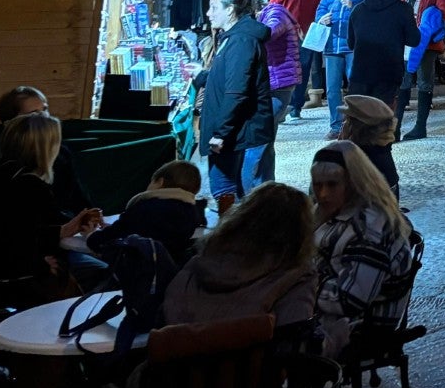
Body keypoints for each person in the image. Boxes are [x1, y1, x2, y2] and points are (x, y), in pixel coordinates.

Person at [0, 112, 103, 300]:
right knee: (100, 274)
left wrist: (62, 230)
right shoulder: (29, 186)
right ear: (46, 149)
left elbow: (8, 232)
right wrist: (41, 265)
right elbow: (15, 247)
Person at [163, 180, 316, 336]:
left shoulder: (199, 263)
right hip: (253, 359)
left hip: (179, 357)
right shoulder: (295, 278)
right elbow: (294, 343)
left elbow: (167, 315)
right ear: (300, 233)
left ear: (241, 216)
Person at [310, 141, 419, 359]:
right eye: (317, 185)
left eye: (332, 185)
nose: (322, 194)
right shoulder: (337, 212)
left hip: (361, 329)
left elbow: (350, 300)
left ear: (352, 184)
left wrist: (300, 288)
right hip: (333, 314)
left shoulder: (368, 228)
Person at [197, 0, 274, 200]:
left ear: (230, 10)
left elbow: (236, 91)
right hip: (235, 132)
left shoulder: (241, 41)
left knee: (231, 193)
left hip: (240, 133)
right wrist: (201, 77)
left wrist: (221, 133)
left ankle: (235, 232)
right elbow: (226, 79)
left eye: (214, 8)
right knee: (230, 192)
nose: (208, 13)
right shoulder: (233, 37)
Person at [0, 86, 91, 217]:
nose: (44, 117)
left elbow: (76, 193)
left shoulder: (60, 152)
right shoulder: (7, 164)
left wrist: (90, 214)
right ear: (12, 123)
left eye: (45, 110)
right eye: (34, 114)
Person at [93, 159, 204, 268]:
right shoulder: (193, 212)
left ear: (160, 182)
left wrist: (89, 234)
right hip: (169, 272)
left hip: (136, 273)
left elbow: (101, 242)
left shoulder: (145, 208)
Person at [395, 0, 445, 140]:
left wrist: (429, 22)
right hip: (406, 39)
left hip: (426, 42)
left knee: (424, 82)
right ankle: (396, 126)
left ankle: (420, 127)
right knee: (403, 81)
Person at [315, 0, 372, 135]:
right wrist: (321, 19)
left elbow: (372, 11)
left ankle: (357, 124)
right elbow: (321, 8)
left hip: (353, 43)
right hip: (332, 43)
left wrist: (353, 6)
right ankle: (336, 126)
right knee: (332, 88)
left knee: (356, 85)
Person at [346, 0, 420, 114]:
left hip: (361, 72)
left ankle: (359, 136)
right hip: (389, 72)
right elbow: (414, 40)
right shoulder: (403, 9)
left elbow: (351, 44)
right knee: (382, 115)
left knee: (358, 116)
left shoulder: (358, 10)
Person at [271, 0, 328, 117]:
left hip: (287, 33)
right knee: (302, 70)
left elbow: (273, 5)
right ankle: (296, 107)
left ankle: (283, 106)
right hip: (310, 33)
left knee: (285, 69)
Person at [257, 0, 302, 180]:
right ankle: (266, 186)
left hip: (280, 83)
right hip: (277, 81)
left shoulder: (276, 14)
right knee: (266, 139)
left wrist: (246, 28)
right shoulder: (270, 14)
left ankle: (262, 187)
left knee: (263, 137)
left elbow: (271, 32)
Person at [340, 94, 402, 199]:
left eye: (347, 121)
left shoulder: (357, 159)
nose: (343, 125)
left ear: (356, 128)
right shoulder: (381, 151)